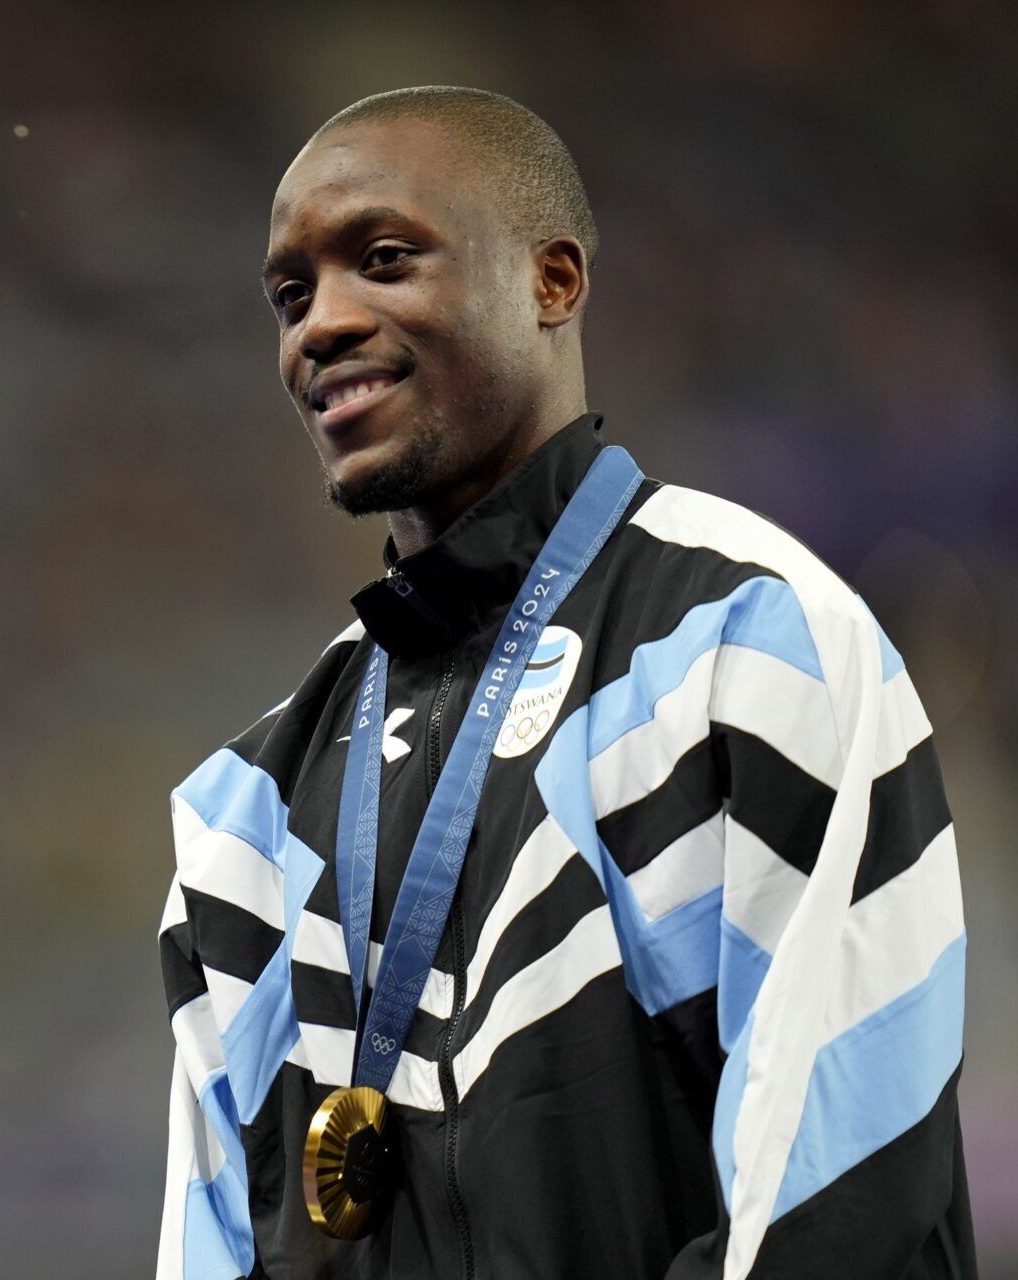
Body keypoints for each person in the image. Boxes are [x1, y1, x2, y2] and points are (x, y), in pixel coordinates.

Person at [155, 87, 975, 1280]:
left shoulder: (746, 647)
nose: (319, 325)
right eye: (291, 296)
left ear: (553, 281)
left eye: (383, 260)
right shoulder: (242, 822)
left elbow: (841, 1200)